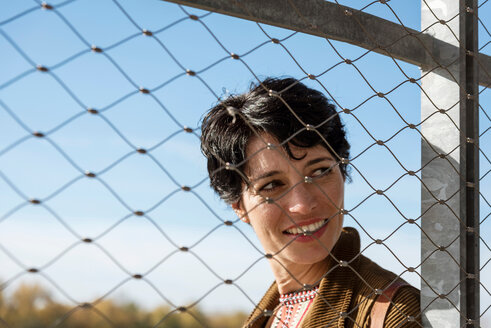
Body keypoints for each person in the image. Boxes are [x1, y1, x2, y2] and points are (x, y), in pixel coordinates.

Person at [200, 78, 420, 327]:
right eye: (272, 185)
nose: (303, 205)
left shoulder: (393, 312)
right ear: (238, 206)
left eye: (319, 172)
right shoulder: (268, 317)